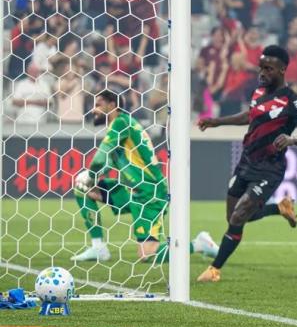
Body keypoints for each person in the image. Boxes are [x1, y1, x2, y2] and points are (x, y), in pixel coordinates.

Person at [196, 45, 297, 282]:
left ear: (282, 70)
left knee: (239, 216)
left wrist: (293, 139)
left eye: (268, 69)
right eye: (261, 67)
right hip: (246, 162)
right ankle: (280, 208)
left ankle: (214, 270)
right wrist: (217, 122)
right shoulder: (259, 91)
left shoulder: (293, 101)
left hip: (269, 169)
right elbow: (249, 115)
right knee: (234, 217)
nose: (262, 73)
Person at [72, 90, 219, 262]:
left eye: (98, 105)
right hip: (131, 190)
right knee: (82, 188)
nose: (93, 110)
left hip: (150, 193)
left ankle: (199, 244)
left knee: (147, 254)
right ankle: (98, 248)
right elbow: (108, 162)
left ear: (112, 105)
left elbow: (99, 159)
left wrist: (91, 175)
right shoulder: (121, 124)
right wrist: (93, 178)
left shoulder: (121, 123)